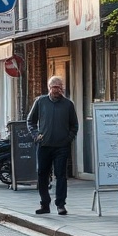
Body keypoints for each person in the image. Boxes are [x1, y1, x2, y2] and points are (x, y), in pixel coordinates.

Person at [26, 75, 79, 216]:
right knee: (42, 174)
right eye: (54, 87)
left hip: (62, 146)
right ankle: (45, 204)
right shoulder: (40, 102)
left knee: (61, 175)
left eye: (59, 87)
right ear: (49, 88)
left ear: (62, 88)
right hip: (44, 145)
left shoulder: (68, 104)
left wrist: (68, 138)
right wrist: (36, 135)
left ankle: (61, 205)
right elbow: (30, 121)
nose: (57, 90)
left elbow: (74, 125)